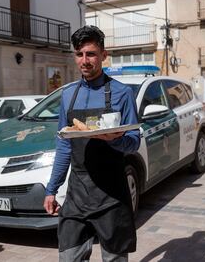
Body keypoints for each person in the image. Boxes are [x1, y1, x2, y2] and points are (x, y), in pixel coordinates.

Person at [43, 25, 140, 262]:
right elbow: (64, 146)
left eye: (91, 54)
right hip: (77, 193)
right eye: (79, 54)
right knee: (69, 257)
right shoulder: (68, 95)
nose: (84, 60)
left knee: (115, 259)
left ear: (103, 55)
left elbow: (134, 142)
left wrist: (115, 141)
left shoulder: (122, 93)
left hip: (112, 194)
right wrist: (51, 189)